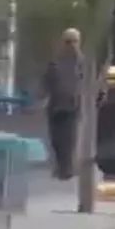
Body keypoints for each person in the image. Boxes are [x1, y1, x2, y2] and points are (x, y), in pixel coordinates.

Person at [41, 28, 84, 180]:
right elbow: (47, 81)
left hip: (70, 105)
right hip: (57, 105)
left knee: (68, 138)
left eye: (74, 41)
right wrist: (43, 97)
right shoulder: (56, 62)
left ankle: (66, 168)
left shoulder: (81, 62)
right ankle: (62, 167)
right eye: (68, 41)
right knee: (58, 139)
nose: (72, 45)